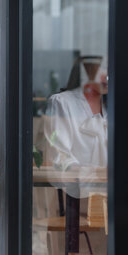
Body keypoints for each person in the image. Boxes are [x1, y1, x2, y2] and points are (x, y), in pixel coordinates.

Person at [44, 55, 108, 198]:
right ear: (86, 70)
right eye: (103, 68)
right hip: (77, 198)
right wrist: (94, 174)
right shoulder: (63, 102)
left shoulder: (113, 106)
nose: (107, 75)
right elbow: (60, 156)